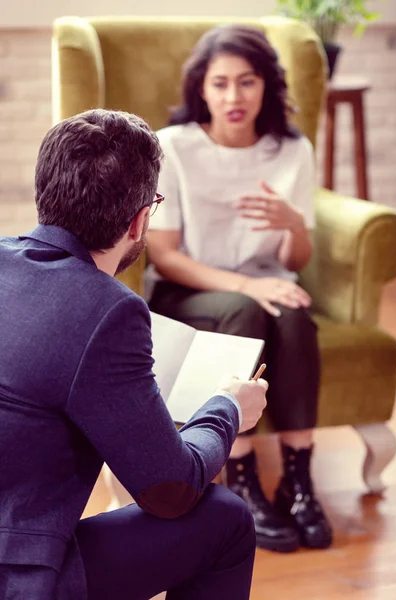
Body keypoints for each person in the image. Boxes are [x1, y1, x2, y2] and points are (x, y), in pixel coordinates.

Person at [0, 109, 269, 600]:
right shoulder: (110, 310)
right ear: (141, 217)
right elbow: (171, 491)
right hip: (15, 579)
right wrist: (228, 408)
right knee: (224, 520)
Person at [146, 24, 333, 553]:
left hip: (266, 286)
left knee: (297, 318)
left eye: (247, 82)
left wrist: (294, 223)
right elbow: (165, 256)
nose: (234, 97)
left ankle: (299, 480)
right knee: (242, 313)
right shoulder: (173, 147)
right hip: (191, 289)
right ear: (201, 89)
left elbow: (294, 260)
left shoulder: (292, 150)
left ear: (266, 87)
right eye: (220, 83)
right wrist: (248, 286)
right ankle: (243, 473)